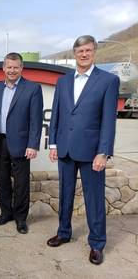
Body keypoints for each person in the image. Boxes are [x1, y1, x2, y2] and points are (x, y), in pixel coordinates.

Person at [47, 35, 120, 265]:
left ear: (94, 51)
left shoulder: (108, 80)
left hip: (92, 153)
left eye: (88, 50)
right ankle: (64, 233)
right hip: (66, 148)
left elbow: (109, 120)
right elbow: (56, 113)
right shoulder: (64, 81)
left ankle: (97, 243)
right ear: (74, 53)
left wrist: (103, 152)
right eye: (80, 51)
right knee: (65, 194)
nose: (84, 54)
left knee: (94, 199)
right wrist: (53, 143)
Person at [0, 52, 43, 234]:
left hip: (22, 144)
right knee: (2, 181)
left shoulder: (32, 89)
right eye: (9, 67)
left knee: (21, 183)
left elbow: (36, 120)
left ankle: (21, 219)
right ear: (3, 68)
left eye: (16, 67)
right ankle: (6, 213)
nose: (12, 70)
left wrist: (33, 145)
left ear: (21, 68)